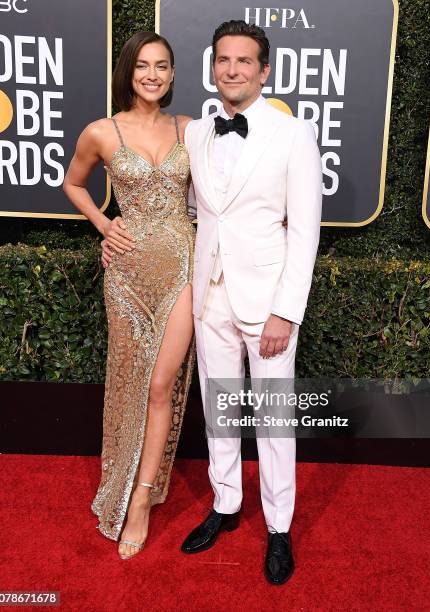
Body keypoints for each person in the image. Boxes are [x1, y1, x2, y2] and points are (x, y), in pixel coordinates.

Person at [102, 20, 322, 584]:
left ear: (264, 70)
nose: (232, 69)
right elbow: (181, 210)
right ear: (212, 68)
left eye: (244, 61)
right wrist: (115, 237)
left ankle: (278, 526)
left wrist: (286, 310)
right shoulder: (196, 132)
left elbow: (305, 231)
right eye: (223, 60)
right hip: (207, 295)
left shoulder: (292, 134)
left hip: (267, 301)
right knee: (221, 409)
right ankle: (226, 505)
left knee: (273, 419)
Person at [63, 31, 195, 560]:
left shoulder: (191, 129)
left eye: (162, 66)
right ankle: (119, 480)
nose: (152, 75)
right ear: (129, 71)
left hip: (184, 268)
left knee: (161, 384)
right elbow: (73, 184)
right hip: (127, 274)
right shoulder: (101, 132)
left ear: (172, 73)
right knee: (128, 382)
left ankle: (140, 500)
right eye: (143, 66)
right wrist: (103, 223)